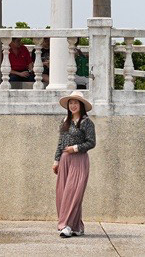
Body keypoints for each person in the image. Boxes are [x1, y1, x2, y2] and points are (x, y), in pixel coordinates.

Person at [53, 91, 96, 238]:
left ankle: (67, 225)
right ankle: (76, 226)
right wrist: (56, 160)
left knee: (73, 193)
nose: (73, 105)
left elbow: (91, 142)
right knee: (62, 193)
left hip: (79, 159)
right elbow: (60, 143)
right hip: (65, 160)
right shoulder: (64, 121)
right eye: (71, 103)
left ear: (81, 105)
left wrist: (75, 148)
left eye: (76, 103)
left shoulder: (87, 123)